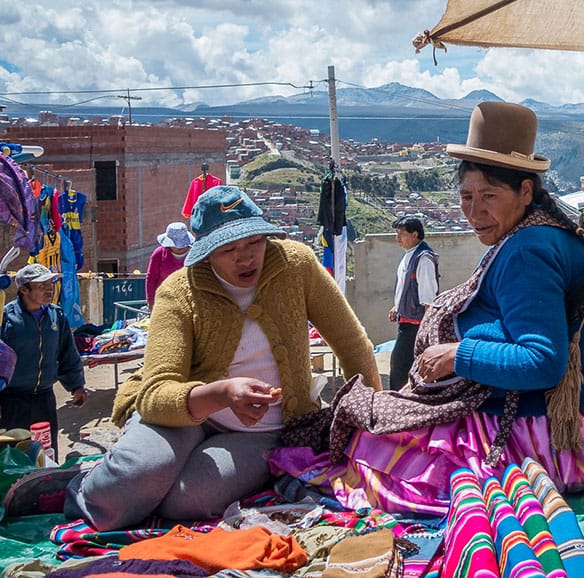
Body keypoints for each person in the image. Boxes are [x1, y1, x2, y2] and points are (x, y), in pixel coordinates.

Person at [272, 102, 584, 516]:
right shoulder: (546, 232)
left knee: (368, 442)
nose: (474, 211)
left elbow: (544, 362)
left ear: (525, 191)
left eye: (489, 196)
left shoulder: (528, 249)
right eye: (466, 196)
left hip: (547, 436)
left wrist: (456, 356)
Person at [60, 186, 382, 531]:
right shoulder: (180, 292)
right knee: (123, 489)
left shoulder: (297, 266)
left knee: (189, 499)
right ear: (206, 252)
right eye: (229, 249)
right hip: (184, 416)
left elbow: (351, 344)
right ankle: (78, 488)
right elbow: (154, 395)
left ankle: (156, 481)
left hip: (263, 431)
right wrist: (221, 394)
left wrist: (372, 422)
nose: (245, 258)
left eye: (254, 242)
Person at [0, 264, 86, 458]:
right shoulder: (6, 318)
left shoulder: (56, 315)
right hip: (12, 400)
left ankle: (46, 487)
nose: (49, 289)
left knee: (46, 453)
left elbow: (67, 353)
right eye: (41, 285)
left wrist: (77, 385)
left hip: (44, 398)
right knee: (14, 455)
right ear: (24, 289)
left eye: (50, 283)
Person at [387, 216, 438, 390]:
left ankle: (398, 401)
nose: (398, 238)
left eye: (401, 234)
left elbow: (428, 296)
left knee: (400, 365)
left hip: (416, 324)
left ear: (415, 234)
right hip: (406, 320)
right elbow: (406, 288)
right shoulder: (409, 256)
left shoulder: (423, 259)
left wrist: (427, 329)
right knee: (403, 364)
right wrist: (398, 307)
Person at [145, 221, 194, 309]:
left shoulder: (194, 254)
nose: (179, 247)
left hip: (190, 301)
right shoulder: (159, 254)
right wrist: (151, 302)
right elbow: (151, 278)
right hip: (164, 301)